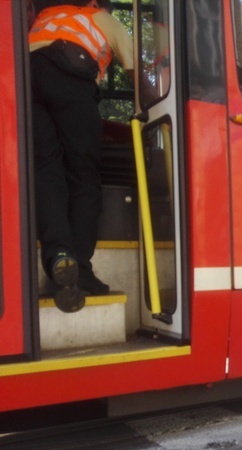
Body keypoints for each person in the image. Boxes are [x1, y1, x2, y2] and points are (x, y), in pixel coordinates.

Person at [28, 0, 133, 312]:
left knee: (47, 170)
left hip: (25, 81)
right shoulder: (105, 19)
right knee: (84, 175)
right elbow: (139, 79)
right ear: (101, 4)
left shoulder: (47, 16)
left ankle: (60, 256)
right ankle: (82, 269)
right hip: (69, 79)